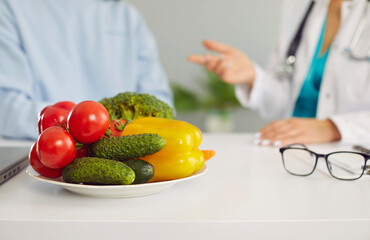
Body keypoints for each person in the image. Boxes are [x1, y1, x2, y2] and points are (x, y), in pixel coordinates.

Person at [188, 0, 370, 146]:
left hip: (354, 158)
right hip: (293, 152)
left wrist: (333, 128)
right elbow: (281, 100)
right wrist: (252, 76)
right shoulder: (299, 5)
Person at [0, 0, 173, 140]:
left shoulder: (127, 16)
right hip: (43, 151)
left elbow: (161, 104)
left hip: (126, 155)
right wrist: (94, 128)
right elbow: (7, 109)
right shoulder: (10, 7)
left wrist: (101, 128)